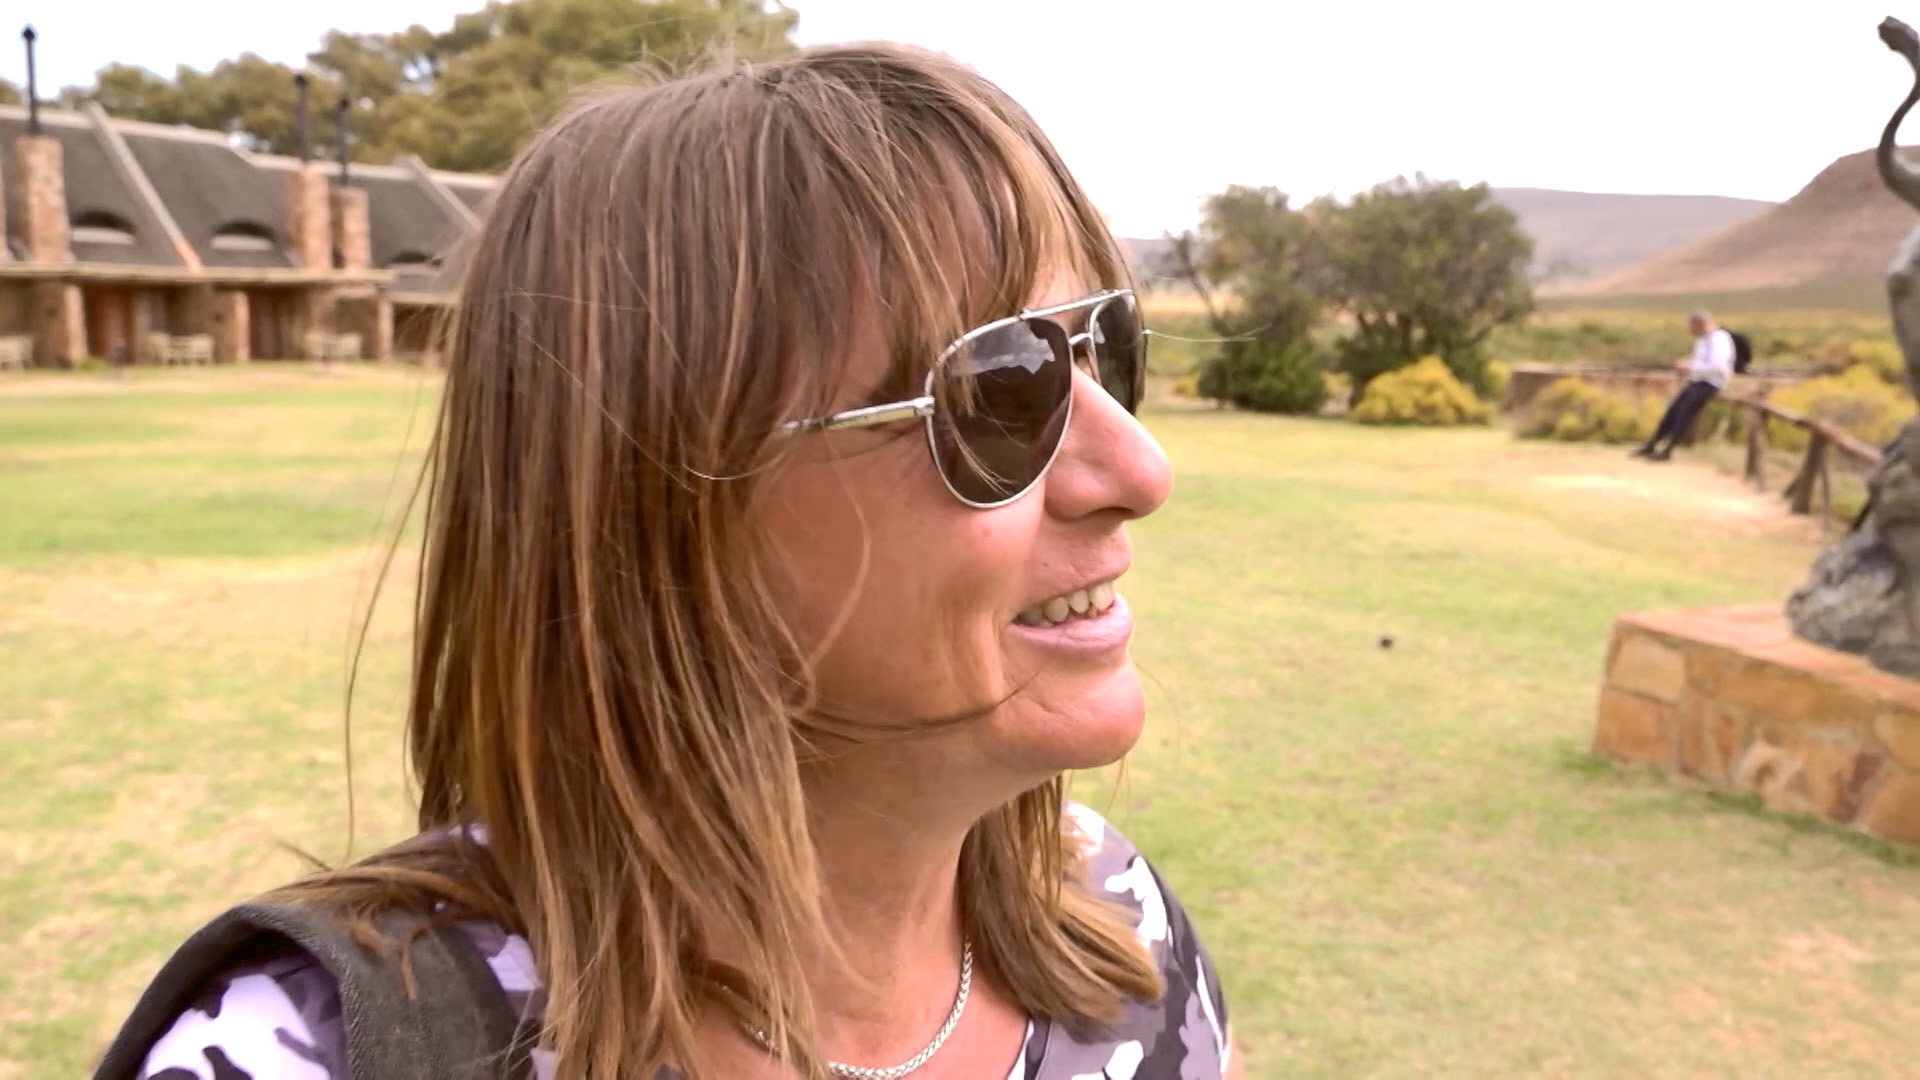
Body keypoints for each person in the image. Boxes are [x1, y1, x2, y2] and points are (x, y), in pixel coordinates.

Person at [96, 43, 1241, 1080]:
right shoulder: (309, 1056)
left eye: (1103, 348)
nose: (1140, 471)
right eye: (1002, 387)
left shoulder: (1121, 929)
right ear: (664, 507)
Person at [1634, 309, 1735, 461]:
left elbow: (1718, 367)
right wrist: (1688, 363)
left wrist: (1690, 367)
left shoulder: (1718, 339)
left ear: (1699, 325)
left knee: (1684, 413)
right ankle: (1651, 444)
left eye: (1691, 327)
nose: (1690, 331)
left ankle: (1668, 450)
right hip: (1698, 381)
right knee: (1673, 411)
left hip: (1711, 383)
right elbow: (1702, 361)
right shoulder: (1703, 339)